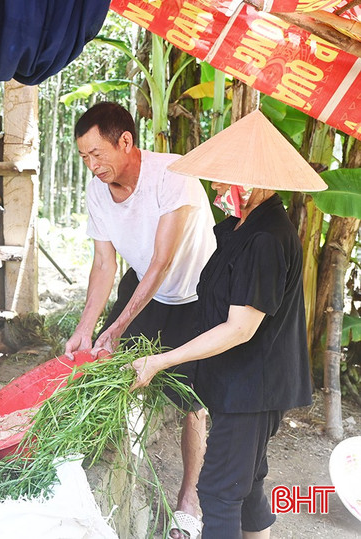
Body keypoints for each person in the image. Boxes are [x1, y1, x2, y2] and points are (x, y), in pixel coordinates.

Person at [129, 109, 324, 538]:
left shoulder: (267, 239)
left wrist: (162, 360)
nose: (215, 187)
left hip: (253, 387)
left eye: (223, 178)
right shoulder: (237, 227)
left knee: (217, 492)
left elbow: (240, 328)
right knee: (247, 486)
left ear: (254, 182)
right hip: (240, 381)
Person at [65, 101, 216, 539]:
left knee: (193, 401)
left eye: (97, 154)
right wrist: (86, 327)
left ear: (126, 141)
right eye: (84, 157)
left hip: (194, 293)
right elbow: (103, 266)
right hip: (144, 283)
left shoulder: (173, 174)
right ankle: (110, 470)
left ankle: (190, 499)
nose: (92, 166)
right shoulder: (98, 190)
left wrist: (116, 326)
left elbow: (162, 262)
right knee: (106, 369)